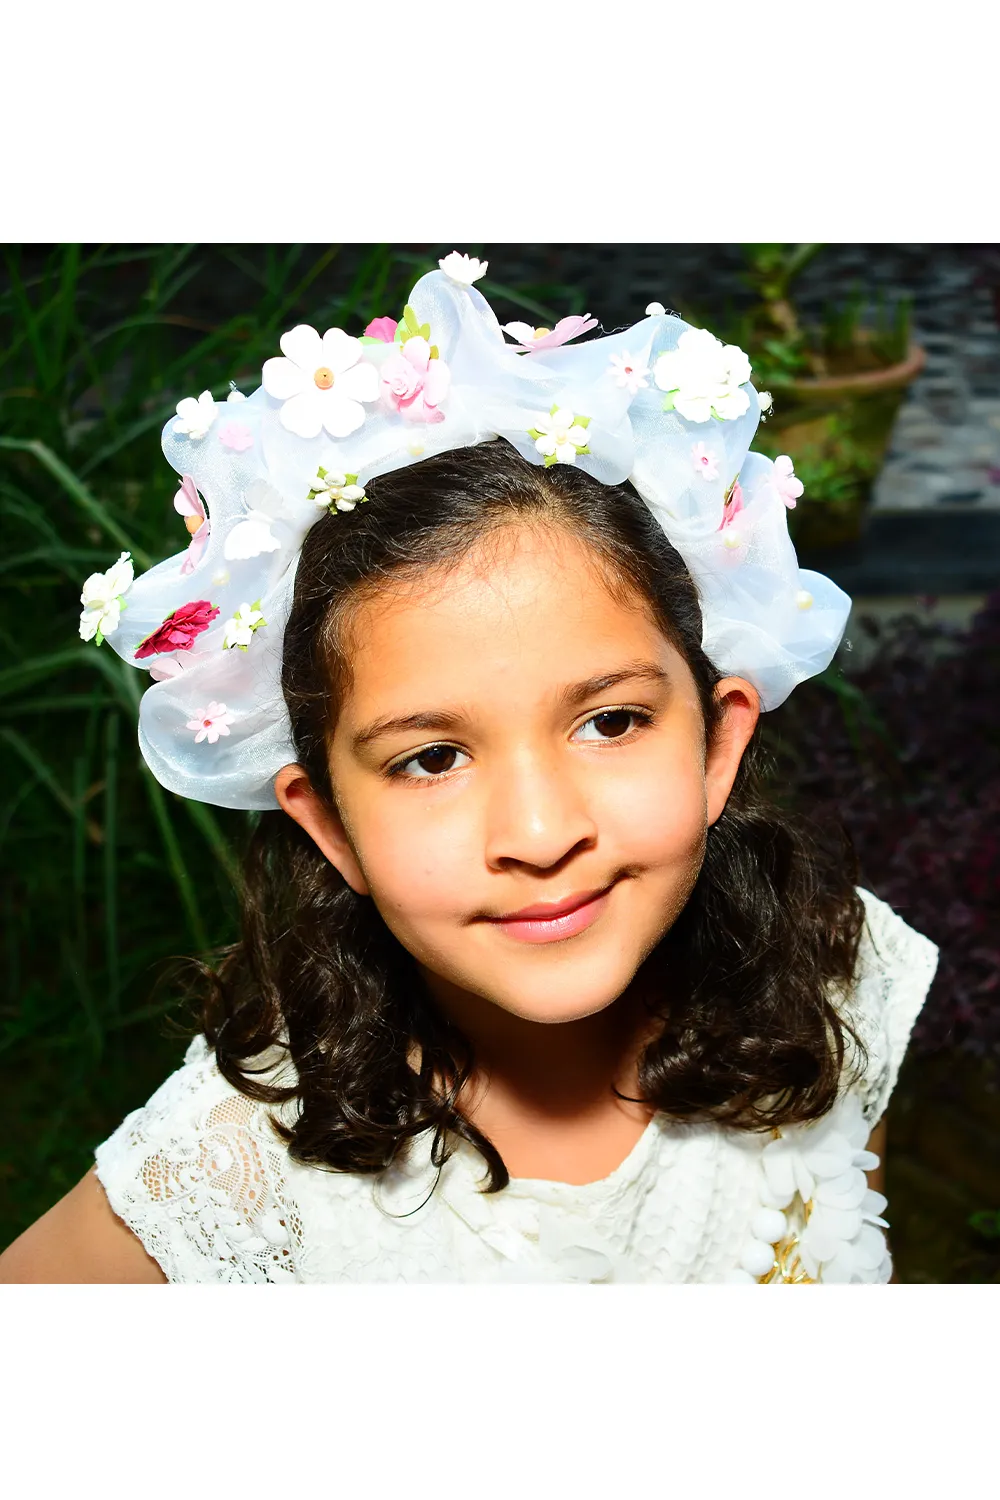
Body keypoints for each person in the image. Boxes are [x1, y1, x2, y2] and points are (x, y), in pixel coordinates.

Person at [0, 253, 938, 1284]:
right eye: (431, 758)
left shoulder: (838, 978)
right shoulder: (226, 1179)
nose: (539, 836)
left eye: (611, 721)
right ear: (329, 825)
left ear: (717, 745)